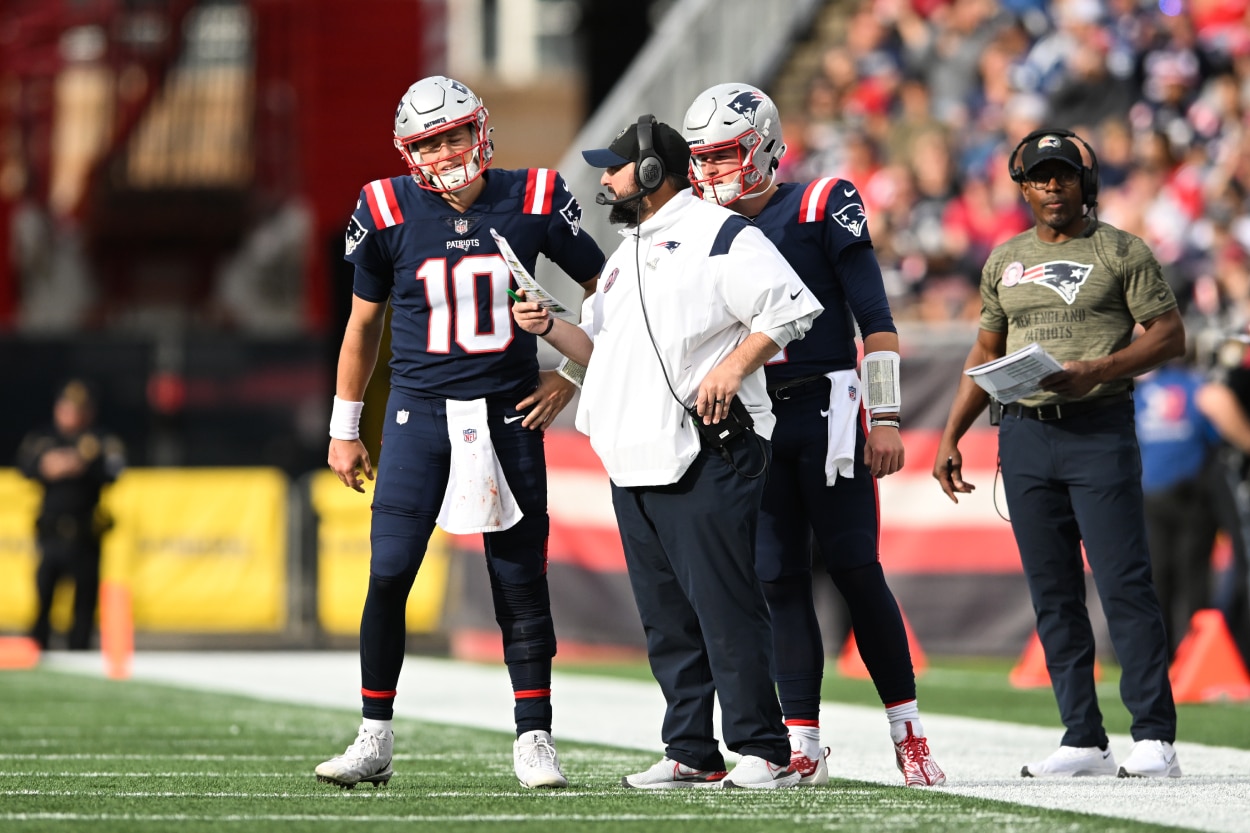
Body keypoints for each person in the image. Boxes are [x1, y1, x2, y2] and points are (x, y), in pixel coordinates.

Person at [513, 115, 822, 789]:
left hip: (708, 447)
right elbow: (597, 353)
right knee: (667, 616)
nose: (604, 178)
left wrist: (733, 368)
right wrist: (549, 325)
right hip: (637, 455)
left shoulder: (722, 233)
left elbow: (793, 307)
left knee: (724, 603)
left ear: (652, 172)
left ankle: (765, 748)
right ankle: (691, 747)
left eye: (615, 166)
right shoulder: (623, 256)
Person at [315, 75, 604, 791]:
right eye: (430, 141)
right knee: (389, 570)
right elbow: (362, 326)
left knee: (519, 579)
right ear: (409, 152)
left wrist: (569, 373)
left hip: (507, 409)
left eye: (454, 134)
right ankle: (374, 733)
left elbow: (610, 290)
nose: (447, 151)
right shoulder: (384, 207)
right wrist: (344, 427)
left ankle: (534, 736)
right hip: (419, 413)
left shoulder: (534, 195)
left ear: (479, 129)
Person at [680, 82, 945, 788]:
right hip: (756, 419)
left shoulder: (821, 202)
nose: (712, 173)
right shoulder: (702, 228)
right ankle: (803, 742)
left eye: (726, 155)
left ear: (764, 145)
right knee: (778, 579)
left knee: (857, 568)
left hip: (828, 409)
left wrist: (884, 419)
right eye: (702, 159)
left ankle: (907, 730)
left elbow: (875, 319)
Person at [933, 128, 1186, 779]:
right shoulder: (1002, 259)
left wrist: (1098, 368)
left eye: (1064, 175)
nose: (1053, 186)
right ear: (1021, 186)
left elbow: (1170, 336)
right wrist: (951, 433)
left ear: (1085, 182)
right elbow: (985, 352)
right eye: (1041, 176)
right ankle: (1082, 734)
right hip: (1023, 434)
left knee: (1124, 584)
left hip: (1098, 428)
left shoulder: (1121, 249)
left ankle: (1154, 734)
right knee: (1053, 593)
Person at [17, 380, 125, 651]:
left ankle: (80, 648)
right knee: (44, 597)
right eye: (66, 409)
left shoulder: (99, 442)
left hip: (84, 534)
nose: (71, 416)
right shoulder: (44, 439)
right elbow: (24, 466)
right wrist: (46, 466)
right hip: (51, 533)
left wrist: (83, 465)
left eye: (78, 410)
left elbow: (115, 472)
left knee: (84, 602)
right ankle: (38, 647)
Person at [1134, 357, 1222, 657]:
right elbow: (1212, 438)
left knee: (1158, 577)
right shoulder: (1198, 388)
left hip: (1152, 493)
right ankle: (1199, 653)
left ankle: (1160, 653)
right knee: (1195, 576)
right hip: (1191, 495)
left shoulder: (1143, 393)